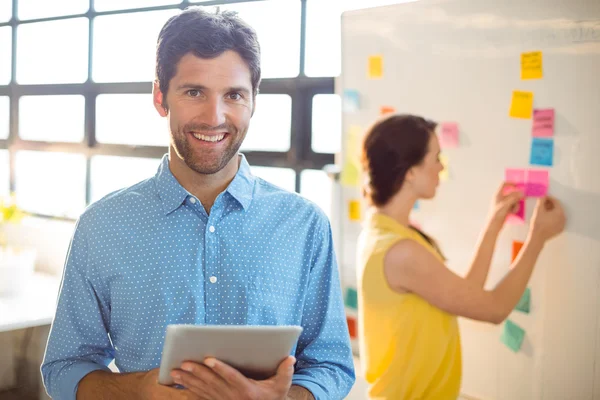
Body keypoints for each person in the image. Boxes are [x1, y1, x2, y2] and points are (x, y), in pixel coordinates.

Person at [41, 7, 354, 400]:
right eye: (194, 92)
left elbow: (331, 365)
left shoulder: (304, 224)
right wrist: (141, 390)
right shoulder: (102, 225)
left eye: (234, 95)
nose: (215, 116)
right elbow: (65, 368)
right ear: (160, 96)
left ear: (254, 101)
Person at [356, 114, 566, 399]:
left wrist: (494, 223)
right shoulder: (401, 252)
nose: (441, 167)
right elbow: (494, 309)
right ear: (411, 172)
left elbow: (465, 294)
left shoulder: (385, 231)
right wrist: (537, 238)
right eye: (436, 157)